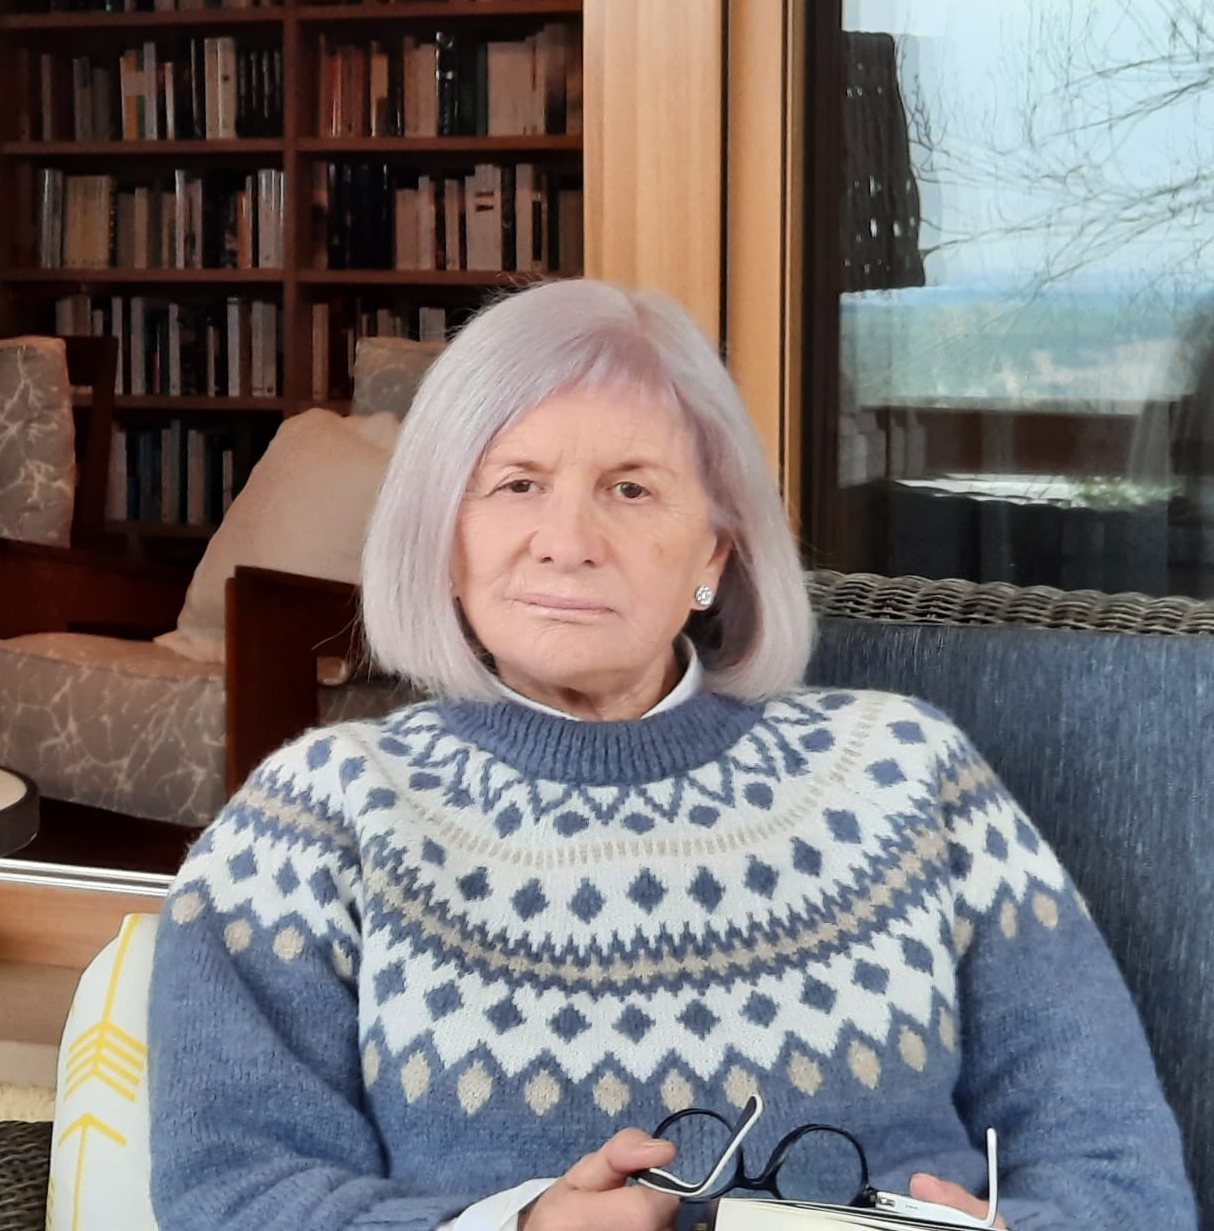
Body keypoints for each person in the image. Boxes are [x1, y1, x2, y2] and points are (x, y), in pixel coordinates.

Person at [148, 278, 1196, 1231]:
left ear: (713, 550)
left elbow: (1117, 1166)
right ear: (442, 537)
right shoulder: (313, 819)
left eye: (631, 488)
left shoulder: (908, 770)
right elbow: (233, 1191)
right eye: (516, 483)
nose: (567, 540)